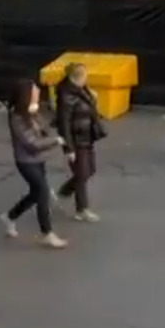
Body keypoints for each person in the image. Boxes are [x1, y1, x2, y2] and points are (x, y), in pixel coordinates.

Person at [2, 80, 67, 247]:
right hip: (26, 162)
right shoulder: (17, 117)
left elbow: (45, 130)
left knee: (35, 194)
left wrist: (41, 114)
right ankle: (47, 233)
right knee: (43, 192)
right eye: (35, 96)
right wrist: (56, 141)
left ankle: (10, 216)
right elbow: (32, 144)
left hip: (38, 160)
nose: (37, 99)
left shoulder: (30, 113)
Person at [54, 62, 105, 223]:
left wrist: (93, 99)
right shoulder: (66, 96)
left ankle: (66, 190)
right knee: (82, 173)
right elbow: (64, 123)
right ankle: (82, 209)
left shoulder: (82, 90)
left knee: (90, 170)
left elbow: (89, 108)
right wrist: (69, 148)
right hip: (76, 139)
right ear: (78, 77)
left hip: (86, 136)